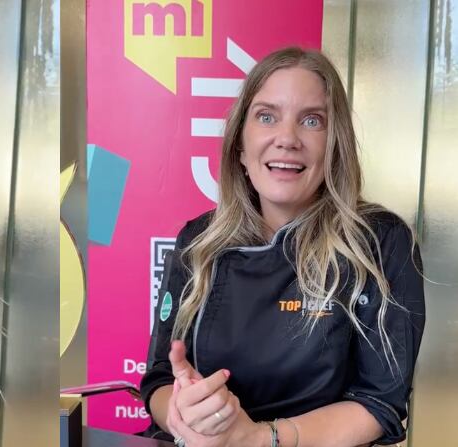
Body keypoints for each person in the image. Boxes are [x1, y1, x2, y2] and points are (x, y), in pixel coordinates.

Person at [140, 47, 426, 447]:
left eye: (311, 120)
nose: (287, 139)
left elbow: (379, 404)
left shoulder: (381, 242)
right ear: (240, 146)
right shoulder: (199, 240)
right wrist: (183, 413)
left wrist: (260, 438)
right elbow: (160, 378)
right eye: (266, 116)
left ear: (335, 146)